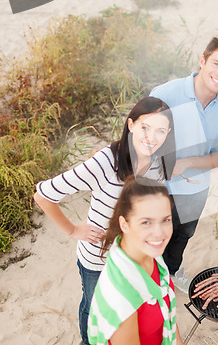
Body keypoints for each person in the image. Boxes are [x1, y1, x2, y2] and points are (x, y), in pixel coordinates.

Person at [34, 97, 175, 345]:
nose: (151, 137)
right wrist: (72, 230)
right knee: (94, 310)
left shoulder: (159, 162)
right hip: (99, 261)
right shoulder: (104, 162)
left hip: (137, 258)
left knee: (127, 312)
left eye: (160, 130)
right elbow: (43, 195)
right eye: (145, 127)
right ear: (130, 124)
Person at [150, 36, 218, 293]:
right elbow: (141, 142)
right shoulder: (165, 94)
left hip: (196, 188)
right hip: (157, 187)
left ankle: (170, 273)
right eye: (216, 64)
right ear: (202, 61)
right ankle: (146, 284)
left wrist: (188, 162)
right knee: (152, 239)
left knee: (182, 235)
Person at [88, 176, 183, 345]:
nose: (159, 233)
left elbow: (168, 319)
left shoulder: (150, 254)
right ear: (124, 224)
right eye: (146, 222)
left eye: (165, 220)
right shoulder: (121, 295)